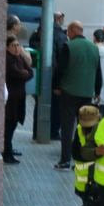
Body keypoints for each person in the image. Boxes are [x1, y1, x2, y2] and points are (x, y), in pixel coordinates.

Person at [55, 21, 102, 171]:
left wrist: (56, 86)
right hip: (87, 94)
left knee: (67, 127)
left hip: (69, 93)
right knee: (84, 128)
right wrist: (97, 91)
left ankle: (65, 160)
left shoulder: (68, 47)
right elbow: (98, 73)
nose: (67, 35)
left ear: (72, 31)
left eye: (68, 32)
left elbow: (60, 69)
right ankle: (81, 159)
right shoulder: (94, 48)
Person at [72, 105, 104, 206]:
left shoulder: (103, 130)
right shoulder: (79, 130)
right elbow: (75, 153)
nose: (86, 128)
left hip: (98, 180)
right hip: (83, 181)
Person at [30, 10, 67, 140]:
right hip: (53, 76)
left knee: (39, 104)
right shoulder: (59, 35)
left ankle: (37, 131)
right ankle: (52, 133)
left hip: (38, 77)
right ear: (59, 19)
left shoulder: (36, 34)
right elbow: (63, 58)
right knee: (56, 106)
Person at [4, 36, 34, 164]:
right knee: (9, 125)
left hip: (19, 97)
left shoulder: (19, 58)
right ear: (7, 47)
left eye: (17, 45)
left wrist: (24, 73)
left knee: (13, 124)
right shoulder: (7, 60)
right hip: (11, 98)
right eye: (13, 46)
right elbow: (16, 73)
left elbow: (30, 72)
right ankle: (7, 152)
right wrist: (24, 73)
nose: (17, 48)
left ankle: (8, 149)